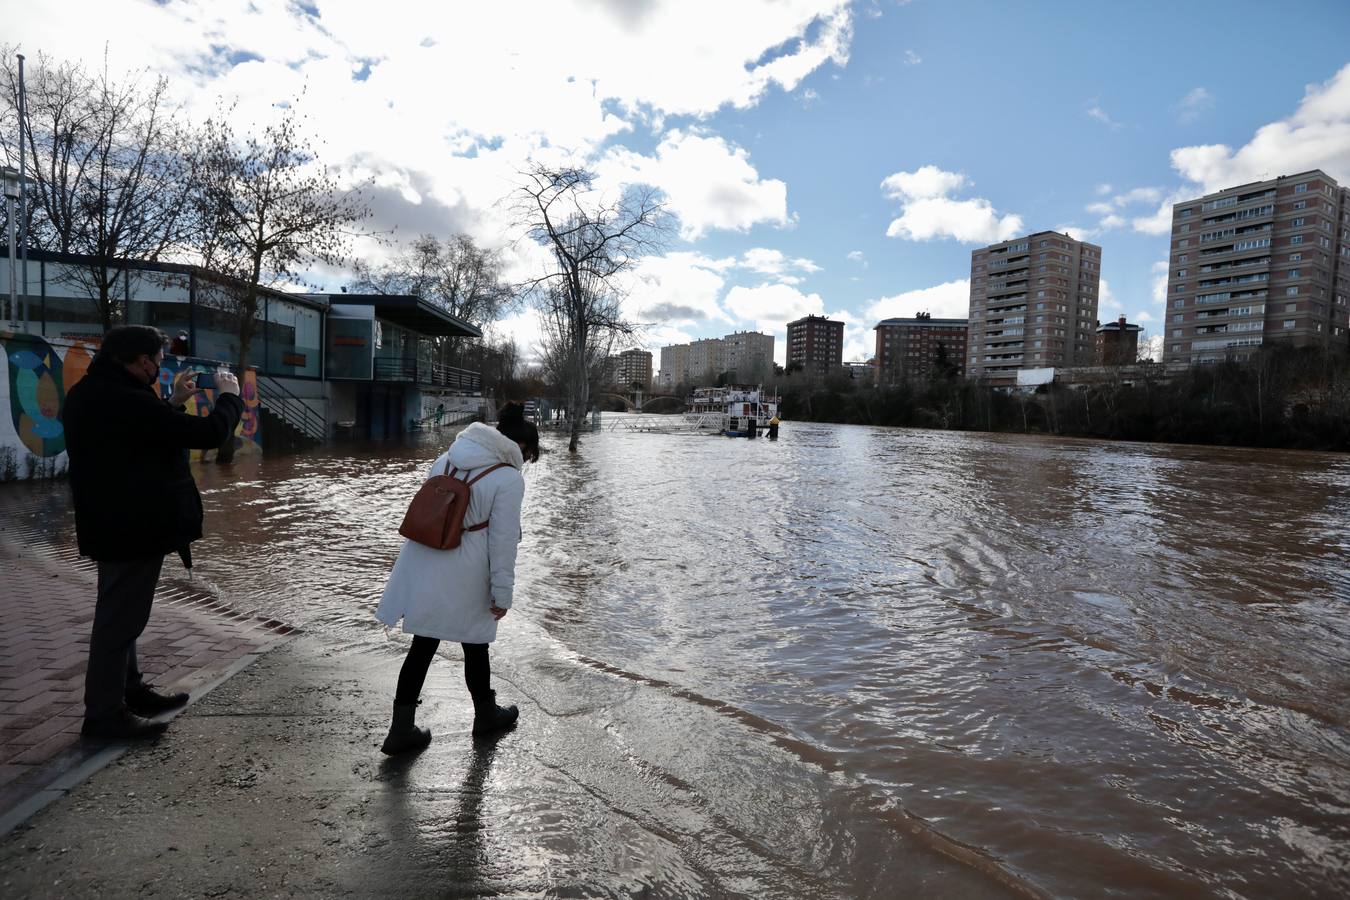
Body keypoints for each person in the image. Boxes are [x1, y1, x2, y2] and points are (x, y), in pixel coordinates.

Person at [64, 326, 243, 740]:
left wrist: (174, 402)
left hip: (110, 522)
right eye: (159, 358)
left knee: (120, 613)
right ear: (142, 361)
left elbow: (142, 436)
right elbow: (209, 434)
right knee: (119, 622)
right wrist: (230, 396)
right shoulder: (126, 400)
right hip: (132, 526)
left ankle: (130, 691)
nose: (161, 364)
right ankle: (104, 716)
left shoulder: (92, 393)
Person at [376, 402, 540, 753]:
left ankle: (401, 728)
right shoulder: (508, 479)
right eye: (529, 458)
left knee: (422, 646)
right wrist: (502, 593)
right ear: (521, 449)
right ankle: (485, 716)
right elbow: (503, 541)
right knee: (476, 644)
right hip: (468, 570)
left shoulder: (444, 460)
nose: (525, 465)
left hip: (427, 561)